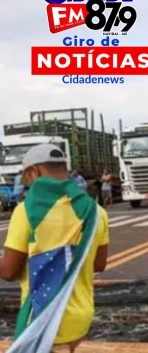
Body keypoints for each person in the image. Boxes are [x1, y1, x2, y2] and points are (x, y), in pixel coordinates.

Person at [0, 144, 109, 353]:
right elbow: (99, 264)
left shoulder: (26, 211)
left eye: (26, 178)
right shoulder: (96, 211)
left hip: (45, 318)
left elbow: (9, 271)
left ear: (34, 172)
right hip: (80, 317)